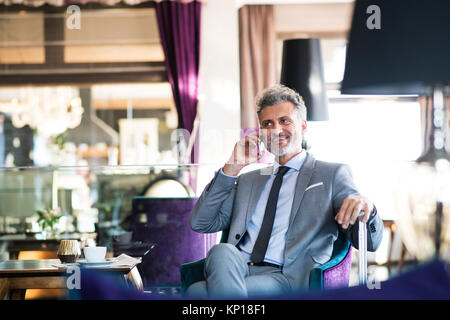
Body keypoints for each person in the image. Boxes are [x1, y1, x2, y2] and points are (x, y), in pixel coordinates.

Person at [187, 84, 383, 298]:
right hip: (237, 268)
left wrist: (368, 210)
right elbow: (201, 222)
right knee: (221, 251)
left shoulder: (331, 174)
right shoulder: (248, 179)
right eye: (267, 124)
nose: (276, 130)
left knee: (197, 292)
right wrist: (231, 168)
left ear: (304, 126)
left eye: (284, 121)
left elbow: (370, 242)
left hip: (288, 276)